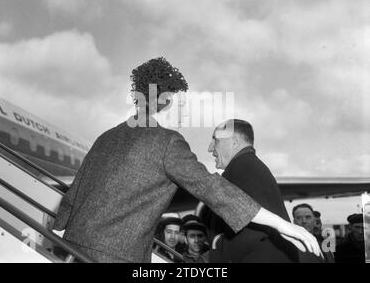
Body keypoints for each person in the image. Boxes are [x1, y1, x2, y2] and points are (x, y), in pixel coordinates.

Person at [53, 57, 321, 262]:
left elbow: (73, 194)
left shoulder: (106, 137)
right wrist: (280, 223)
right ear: (167, 100)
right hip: (118, 256)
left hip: (73, 247)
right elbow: (212, 188)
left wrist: (55, 235)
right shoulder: (167, 141)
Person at [203, 119, 299, 263]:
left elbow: (253, 231)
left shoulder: (242, 168)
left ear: (234, 142)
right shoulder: (249, 166)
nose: (210, 148)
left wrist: (212, 257)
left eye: (215, 140)